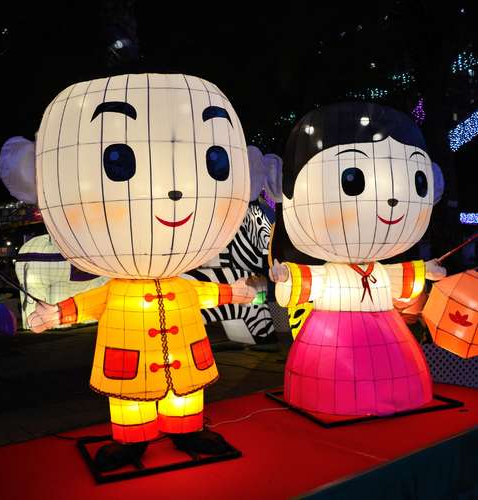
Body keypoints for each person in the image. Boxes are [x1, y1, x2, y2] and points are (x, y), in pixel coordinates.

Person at [28, 73, 256, 470]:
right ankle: (132, 442)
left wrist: (231, 293)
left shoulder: (181, 284)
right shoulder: (118, 289)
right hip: (128, 357)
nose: (172, 193)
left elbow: (202, 293)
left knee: (187, 396)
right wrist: (56, 313)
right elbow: (90, 302)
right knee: (130, 402)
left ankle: (188, 430)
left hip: (185, 357)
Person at [269, 102, 446, 416]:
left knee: (394, 371)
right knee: (335, 381)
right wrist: (286, 276)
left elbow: (396, 276)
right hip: (332, 335)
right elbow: (310, 280)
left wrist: (424, 270)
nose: (391, 200)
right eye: (352, 179)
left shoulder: (379, 269)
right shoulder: (333, 273)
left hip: (387, 330)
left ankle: (392, 399)